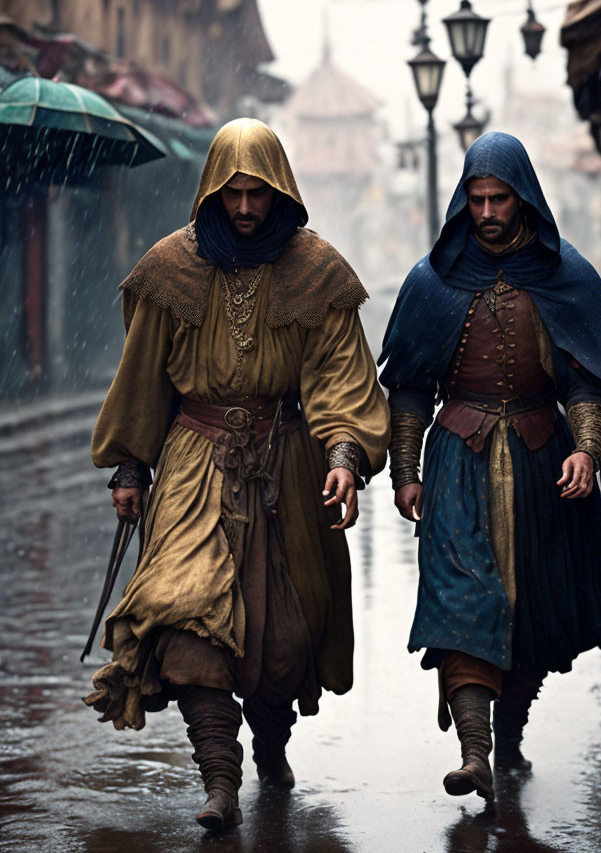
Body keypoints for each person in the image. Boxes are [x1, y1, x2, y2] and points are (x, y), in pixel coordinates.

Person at [84, 118, 390, 831]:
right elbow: (143, 380)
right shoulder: (169, 271)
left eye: (258, 193)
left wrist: (345, 456)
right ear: (212, 195)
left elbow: (343, 381)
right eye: (234, 195)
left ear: (280, 190)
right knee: (185, 614)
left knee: (281, 641)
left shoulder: (318, 273)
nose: (246, 208)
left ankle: (272, 744)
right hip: (195, 462)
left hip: (287, 461)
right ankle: (220, 780)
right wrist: (132, 465)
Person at [379, 132, 601, 802]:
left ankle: (512, 730)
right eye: (477, 199)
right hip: (456, 463)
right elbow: (407, 383)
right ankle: (475, 751)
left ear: (523, 199)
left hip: (539, 460)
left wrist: (586, 448)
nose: (488, 211)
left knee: (532, 612)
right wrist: (405, 469)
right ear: (463, 201)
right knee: (462, 597)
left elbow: (587, 378)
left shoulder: (566, 277)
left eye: (500, 198)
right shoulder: (431, 280)